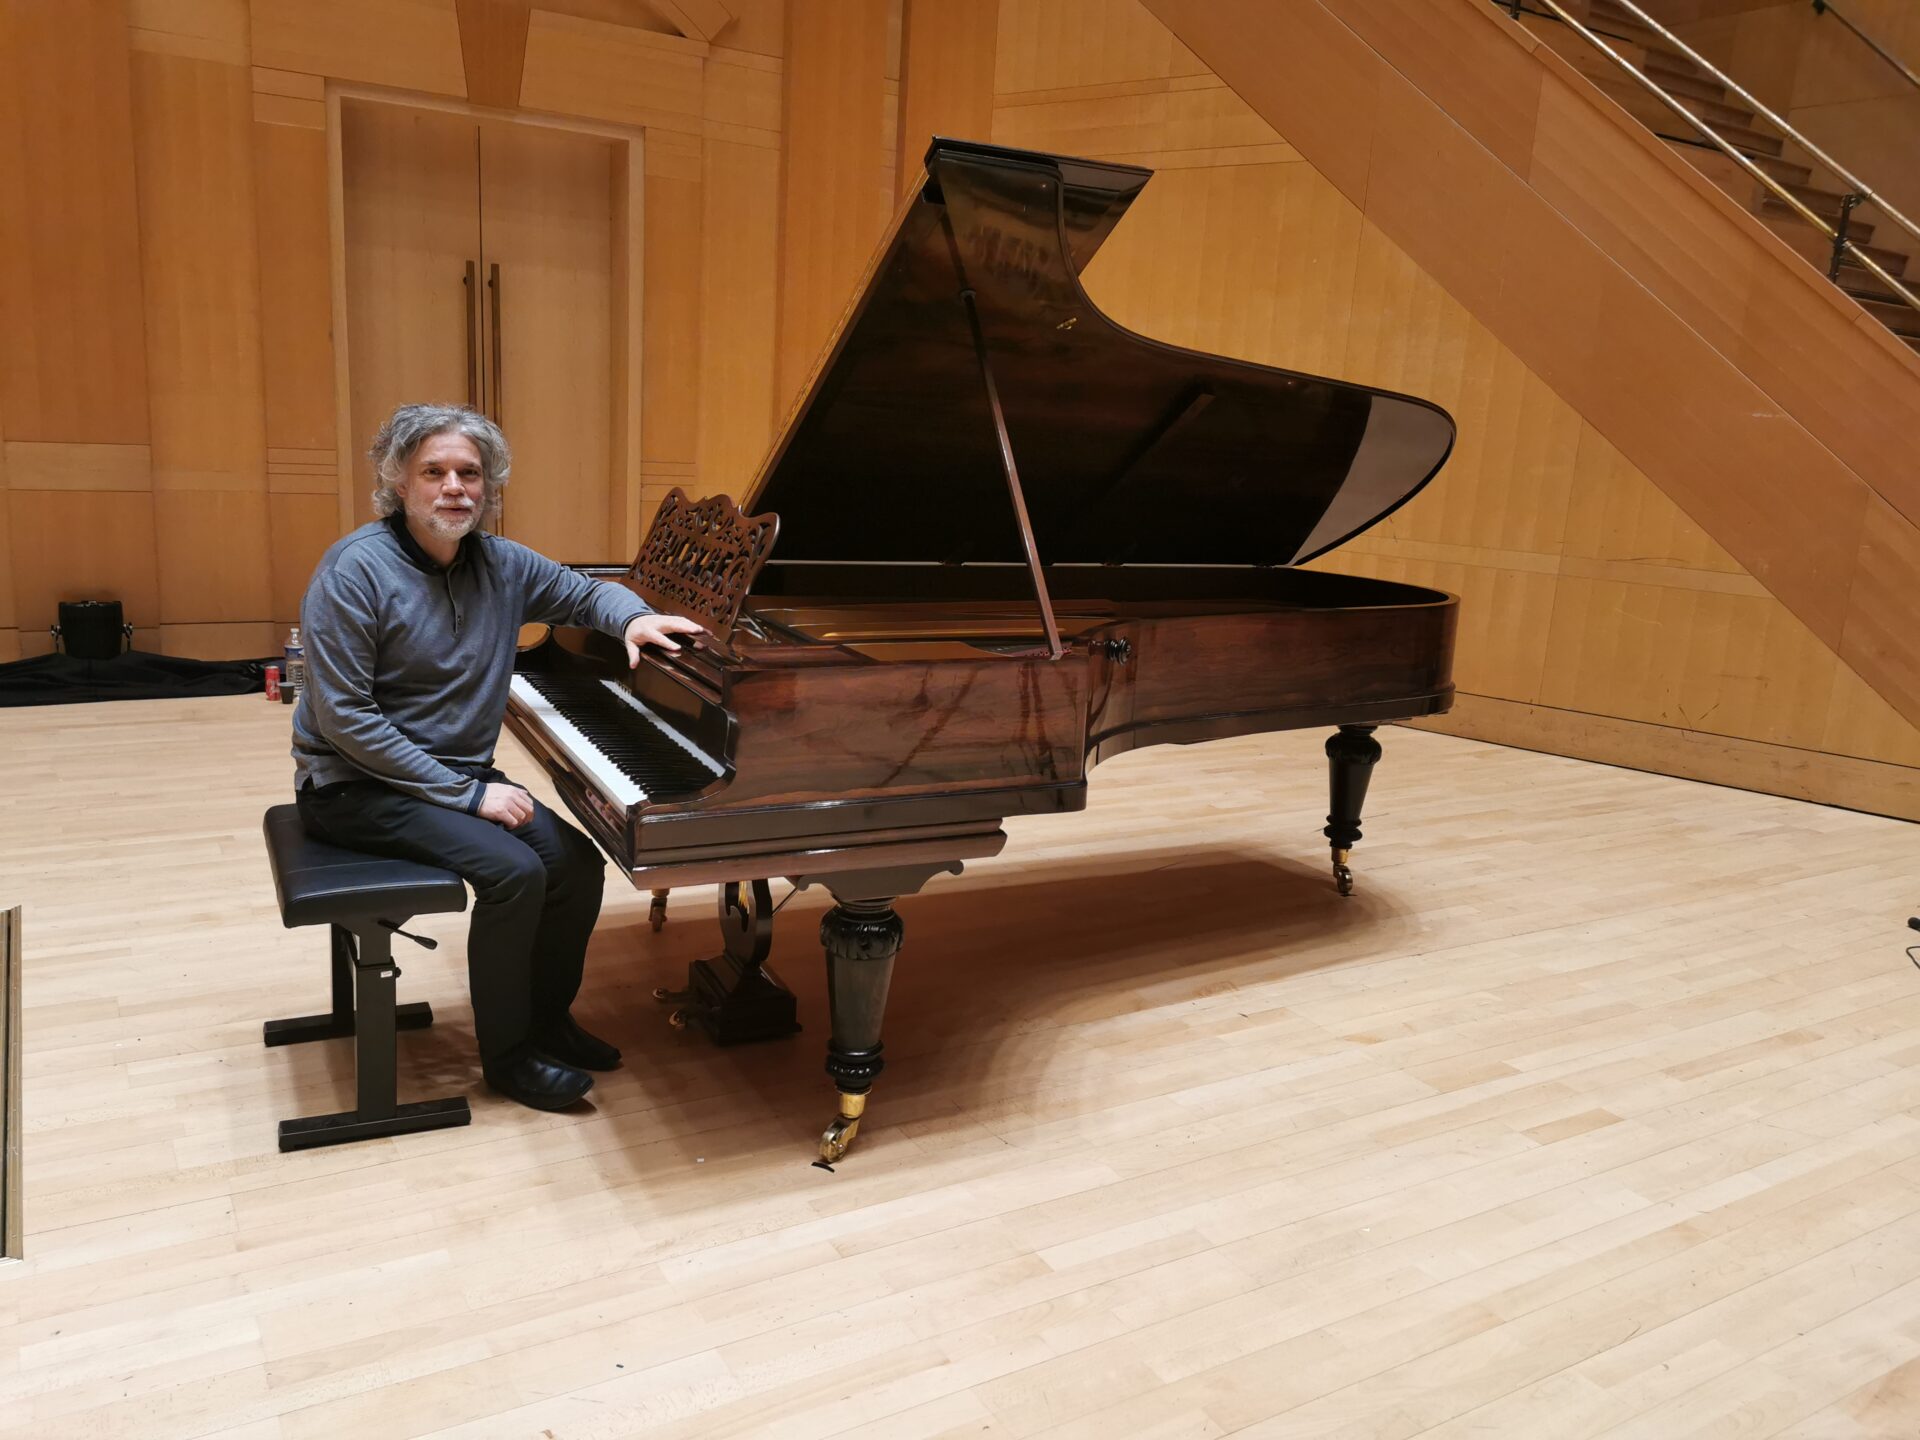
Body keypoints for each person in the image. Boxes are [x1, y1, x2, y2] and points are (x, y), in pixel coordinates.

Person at [291, 403, 704, 1111]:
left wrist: (633, 617)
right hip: (353, 785)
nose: (454, 487)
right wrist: (466, 794)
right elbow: (345, 719)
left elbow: (583, 593)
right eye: (434, 471)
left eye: (469, 473)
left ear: (489, 484)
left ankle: (547, 1022)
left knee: (573, 865)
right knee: (515, 873)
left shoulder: (500, 564)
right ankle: (508, 1058)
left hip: (451, 778)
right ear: (398, 481)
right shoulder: (354, 571)